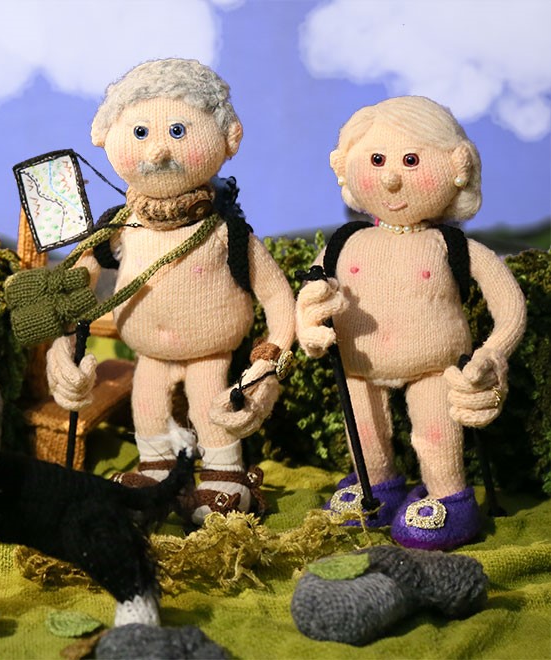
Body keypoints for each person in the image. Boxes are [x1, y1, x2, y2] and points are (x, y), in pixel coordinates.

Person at [46, 59, 296, 524]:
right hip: (148, 355)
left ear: (229, 138)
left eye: (178, 131)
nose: (159, 150)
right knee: (147, 405)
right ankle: (155, 472)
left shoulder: (226, 232)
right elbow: (71, 289)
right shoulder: (118, 228)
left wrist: (267, 363)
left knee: (211, 405)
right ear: (106, 136)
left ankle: (224, 475)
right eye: (140, 133)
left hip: (211, 353)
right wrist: (61, 349)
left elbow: (280, 299)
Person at [296, 96, 527, 550]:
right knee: (364, 431)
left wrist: (492, 353)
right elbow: (310, 294)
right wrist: (309, 324)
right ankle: (375, 483)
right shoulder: (344, 243)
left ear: (456, 167)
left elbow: (510, 307)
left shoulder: (453, 247)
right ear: (346, 166)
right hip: (358, 365)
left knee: (436, 434)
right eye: (376, 160)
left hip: (435, 368)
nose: (391, 177)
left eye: (411, 160)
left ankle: (449, 496)